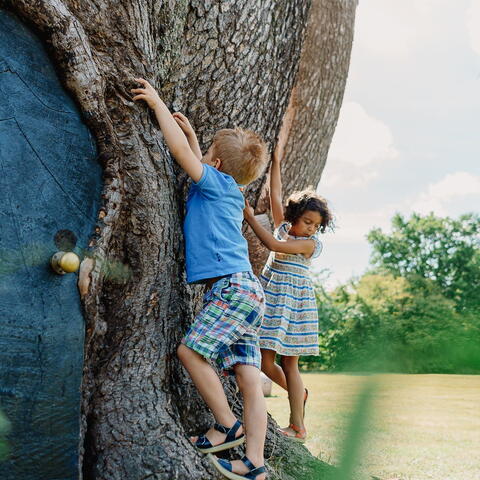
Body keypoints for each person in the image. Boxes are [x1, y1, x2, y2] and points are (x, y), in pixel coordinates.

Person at [132, 78, 269, 480]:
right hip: (247, 290)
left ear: (219, 166)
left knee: (190, 353)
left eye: (208, 154)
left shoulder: (215, 185)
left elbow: (180, 155)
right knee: (248, 379)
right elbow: (197, 163)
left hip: (231, 289)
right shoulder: (227, 190)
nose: (201, 157)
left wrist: (158, 105)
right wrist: (195, 136)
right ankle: (254, 463)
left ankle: (227, 425)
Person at [243, 129, 333, 443]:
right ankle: (299, 394)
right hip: (272, 297)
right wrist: (276, 162)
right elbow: (278, 195)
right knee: (266, 361)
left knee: (288, 362)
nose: (311, 228)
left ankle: (298, 426)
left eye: (316, 225)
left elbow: (272, 244)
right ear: (295, 217)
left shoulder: (308, 245)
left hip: (294, 304)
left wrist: (250, 217)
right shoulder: (285, 226)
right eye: (307, 221)